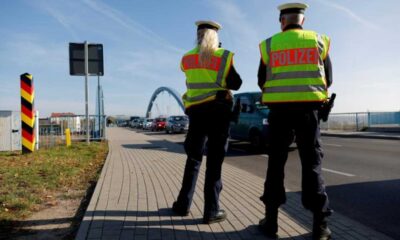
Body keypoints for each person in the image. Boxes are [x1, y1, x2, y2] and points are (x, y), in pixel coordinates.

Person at [257, 3, 333, 239]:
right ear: (303, 21)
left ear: (282, 21)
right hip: (308, 112)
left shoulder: (269, 45)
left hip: (278, 113)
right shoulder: (318, 40)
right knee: (312, 164)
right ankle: (319, 227)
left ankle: (271, 223)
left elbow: (262, 80)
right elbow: (328, 79)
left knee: (275, 165)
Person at [172, 20, 242, 224]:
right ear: (216, 38)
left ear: (198, 36)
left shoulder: (187, 58)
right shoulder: (223, 56)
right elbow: (236, 83)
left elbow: (189, 81)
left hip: (196, 113)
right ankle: (211, 211)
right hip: (219, 112)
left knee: (193, 160)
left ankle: (183, 205)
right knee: (214, 162)